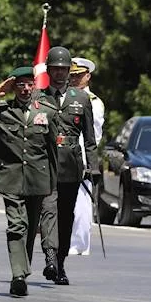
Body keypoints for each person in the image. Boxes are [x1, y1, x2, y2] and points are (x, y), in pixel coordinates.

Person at [0, 66, 58, 297]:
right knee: (17, 225)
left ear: (35, 86)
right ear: (13, 87)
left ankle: (22, 271)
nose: (25, 89)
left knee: (29, 227)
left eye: (29, 84)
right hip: (10, 177)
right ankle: (18, 274)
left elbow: (52, 150)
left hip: (38, 178)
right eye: (20, 85)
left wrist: (52, 185)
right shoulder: (1, 109)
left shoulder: (47, 110)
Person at [38, 46, 99, 285]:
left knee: (66, 217)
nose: (60, 73)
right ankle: (50, 257)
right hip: (46, 164)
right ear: (49, 70)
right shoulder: (38, 97)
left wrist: (93, 168)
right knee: (49, 212)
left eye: (64, 69)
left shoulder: (81, 99)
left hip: (71, 167)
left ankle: (60, 262)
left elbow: (90, 138)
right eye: (56, 69)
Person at [68, 57, 105, 256]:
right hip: (64, 155)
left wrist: (84, 160)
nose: (74, 79)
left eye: (78, 76)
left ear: (88, 77)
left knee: (81, 201)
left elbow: (92, 135)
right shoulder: (64, 97)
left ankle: (80, 244)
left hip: (81, 156)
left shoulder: (93, 103)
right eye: (72, 76)